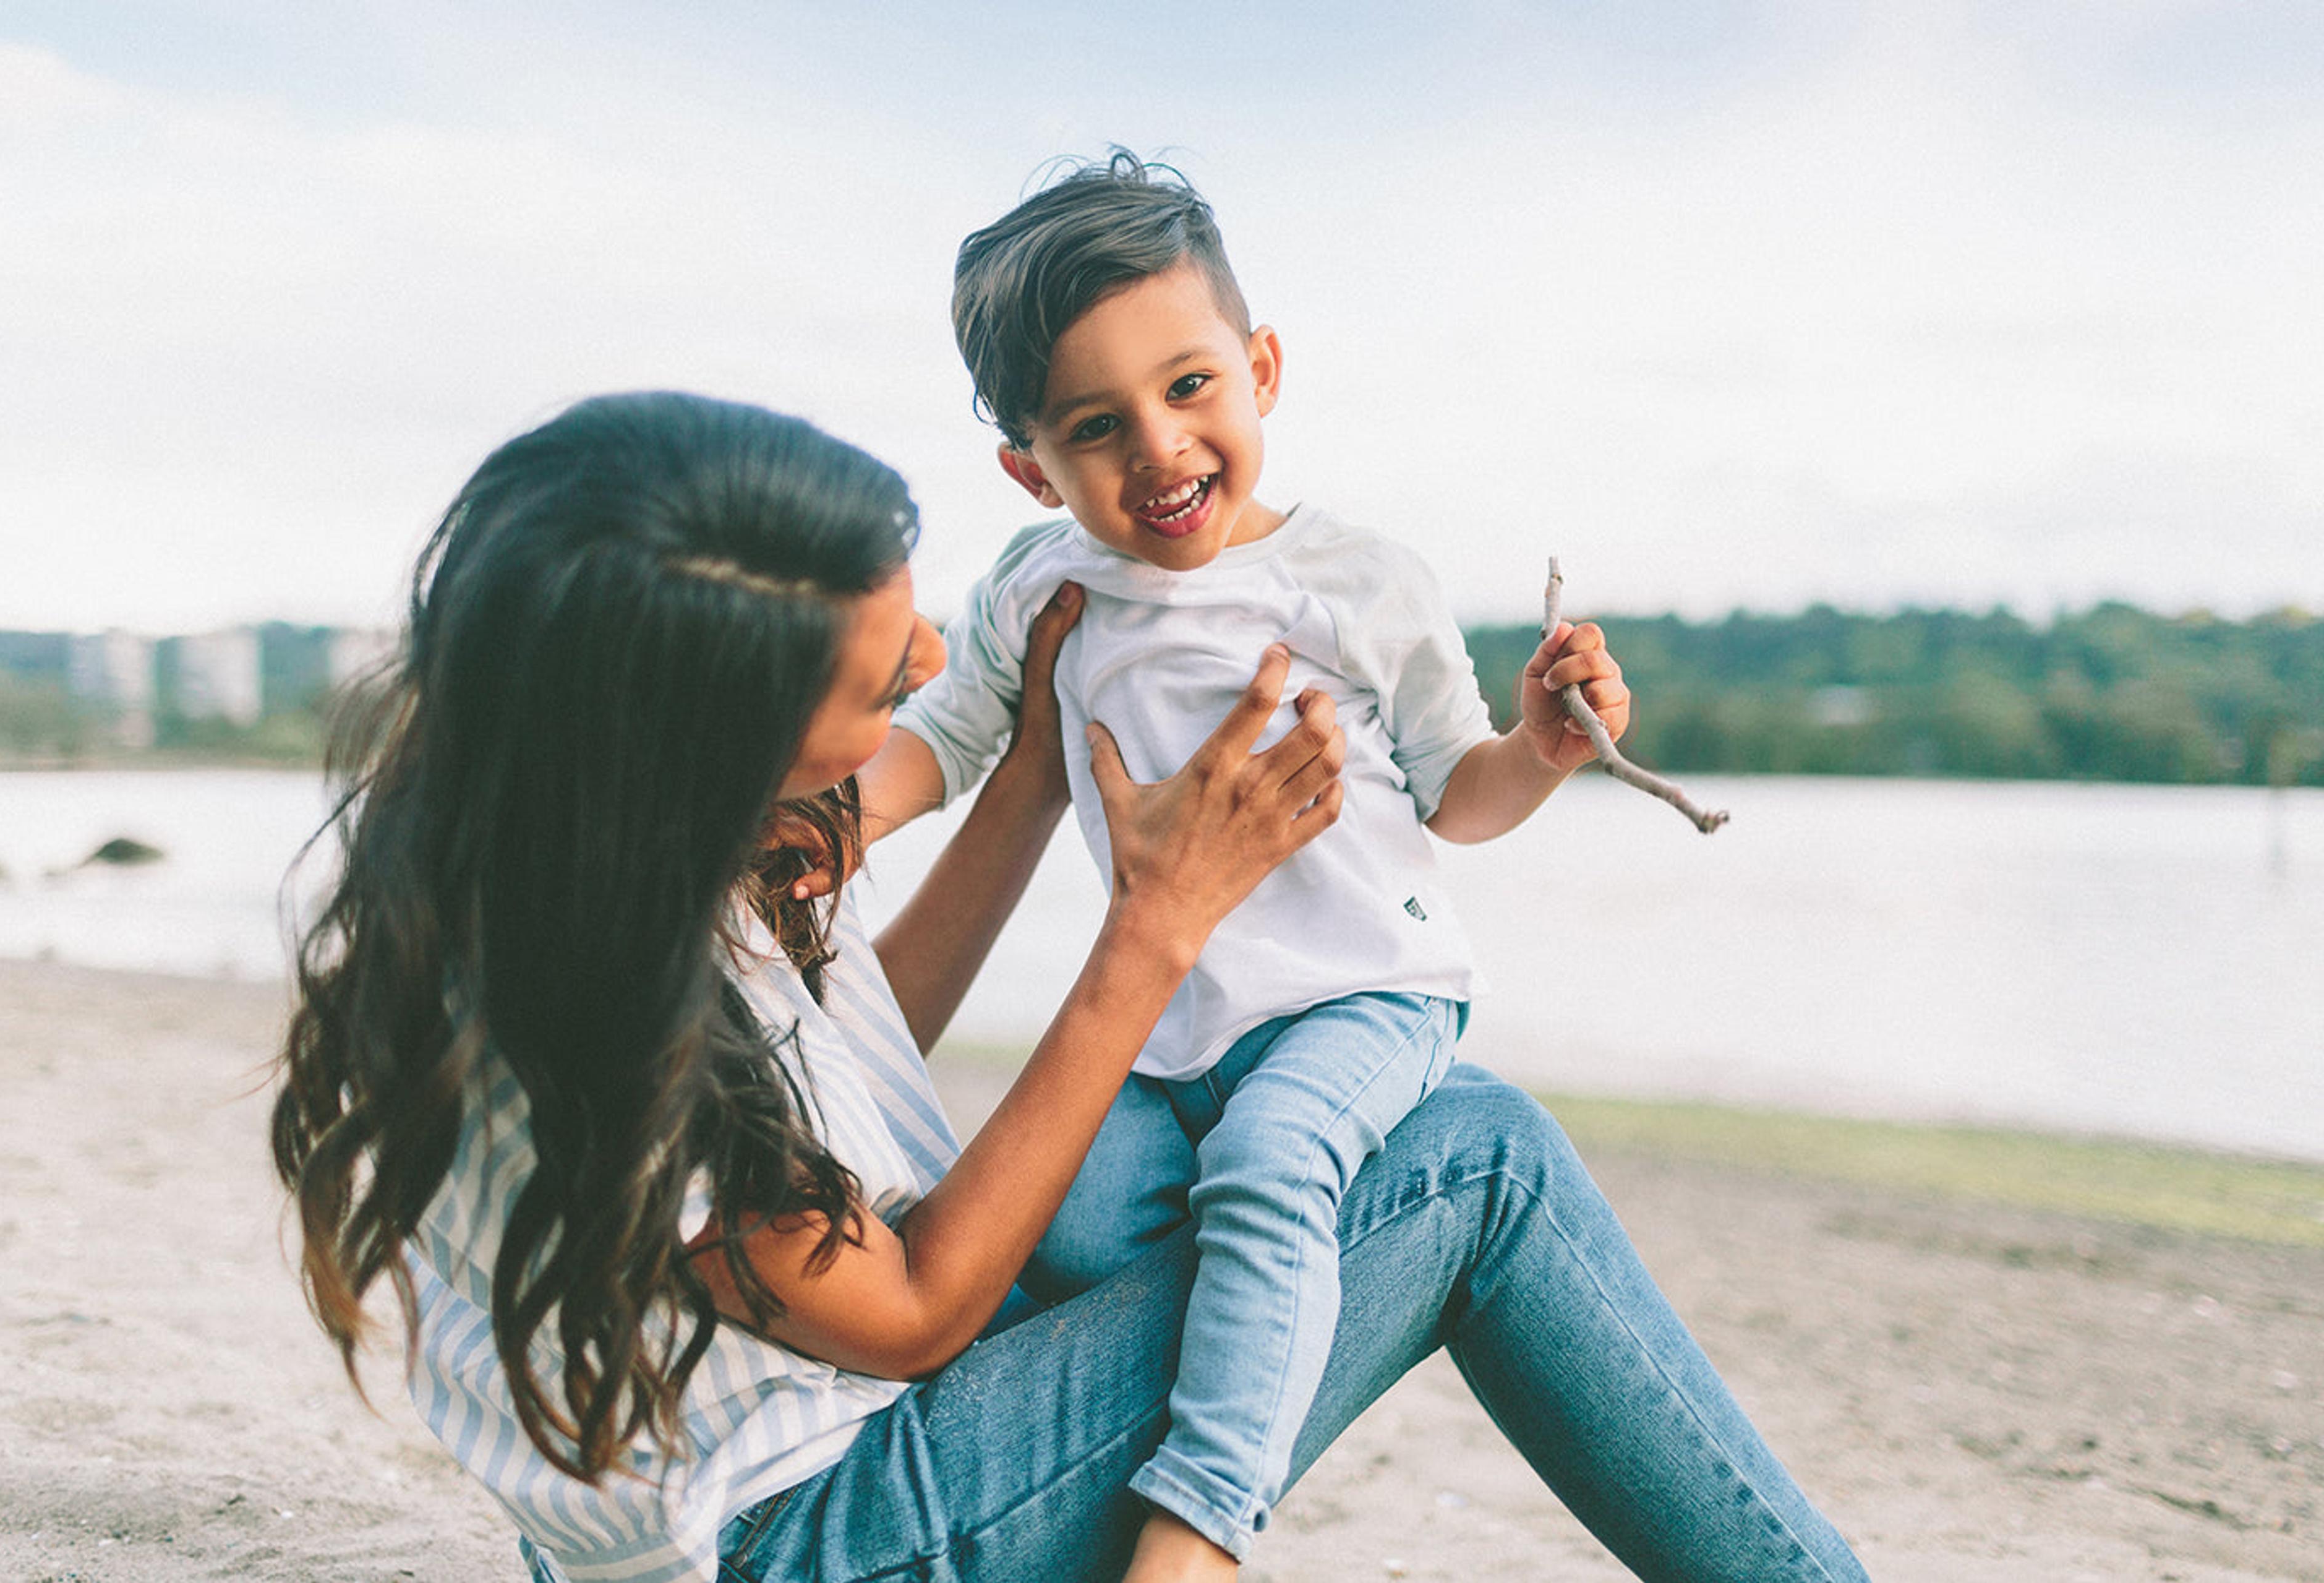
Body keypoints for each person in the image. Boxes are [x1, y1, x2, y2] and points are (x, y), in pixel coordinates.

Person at [273, 390, 1867, 1582]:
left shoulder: (563, 870)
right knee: (1476, 1157)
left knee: (1239, 1173)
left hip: (788, 1466)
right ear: (701, 737)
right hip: (817, 1541)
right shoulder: (583, 1018)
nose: (918, 684)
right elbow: (907, 1316)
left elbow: (816, 1043)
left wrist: (1031, 771)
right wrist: (1158, 922)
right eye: (876, 685)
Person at [852, 153, 1647, 1563]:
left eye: (1190, 388)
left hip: (1362, 995)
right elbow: (948, 738)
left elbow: (1458, 793)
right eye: (1096, 426)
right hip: (1166, 1037)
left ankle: (1206, 1514)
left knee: (1279, 1164)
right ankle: (1035, 1482)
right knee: (1065, 1220)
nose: (1159, 448)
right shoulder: (1044, 586)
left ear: (1261, 367)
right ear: (1028, 464)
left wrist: (1541, 748)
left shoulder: (1356, 579)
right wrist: (814, 828)